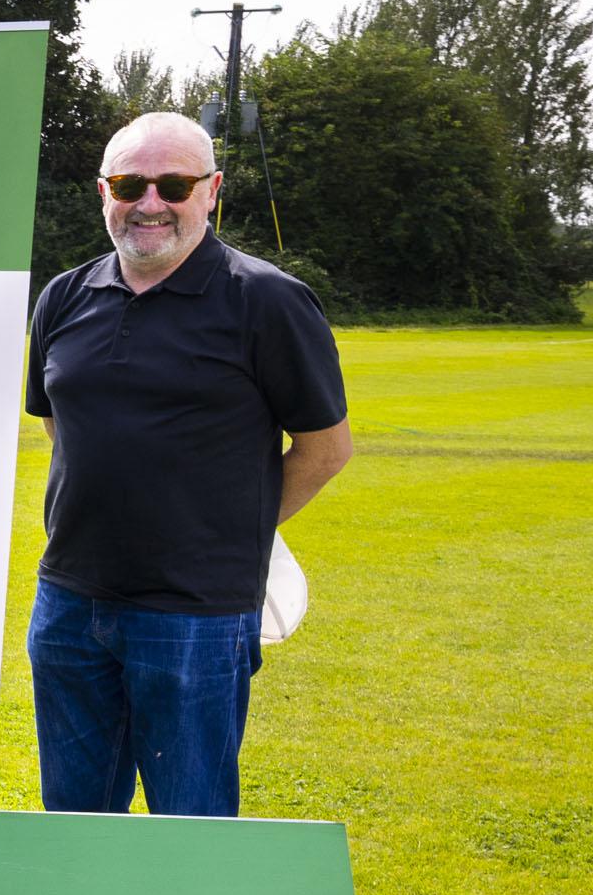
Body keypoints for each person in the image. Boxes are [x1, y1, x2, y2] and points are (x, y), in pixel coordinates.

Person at [24, 112, 351, 815]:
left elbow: (326, 450)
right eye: (129, 183)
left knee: (190, 824)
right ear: (102, 191)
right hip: (69, 603)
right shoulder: (63, 296)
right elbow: (62, 424)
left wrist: (232, 527)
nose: (150, 202)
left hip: (195, 616)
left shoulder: (266, 300)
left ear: (212, 192)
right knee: (73, 819)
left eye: (174, 184)